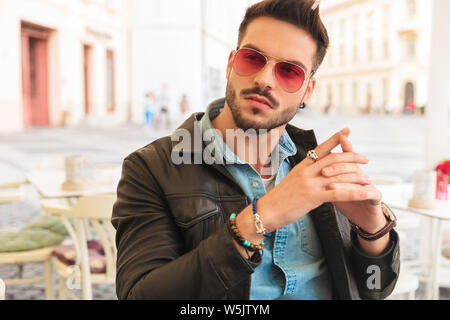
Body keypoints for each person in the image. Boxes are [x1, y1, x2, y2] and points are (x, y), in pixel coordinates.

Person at [112, 0, 399, 300]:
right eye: (252, 59)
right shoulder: (151, 169)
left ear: (308, 92)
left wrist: (373, 233)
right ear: (230, 64)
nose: (264, 79)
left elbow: (375, 287)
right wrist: (259, 219)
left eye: (289, 72)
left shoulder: (318, 167)